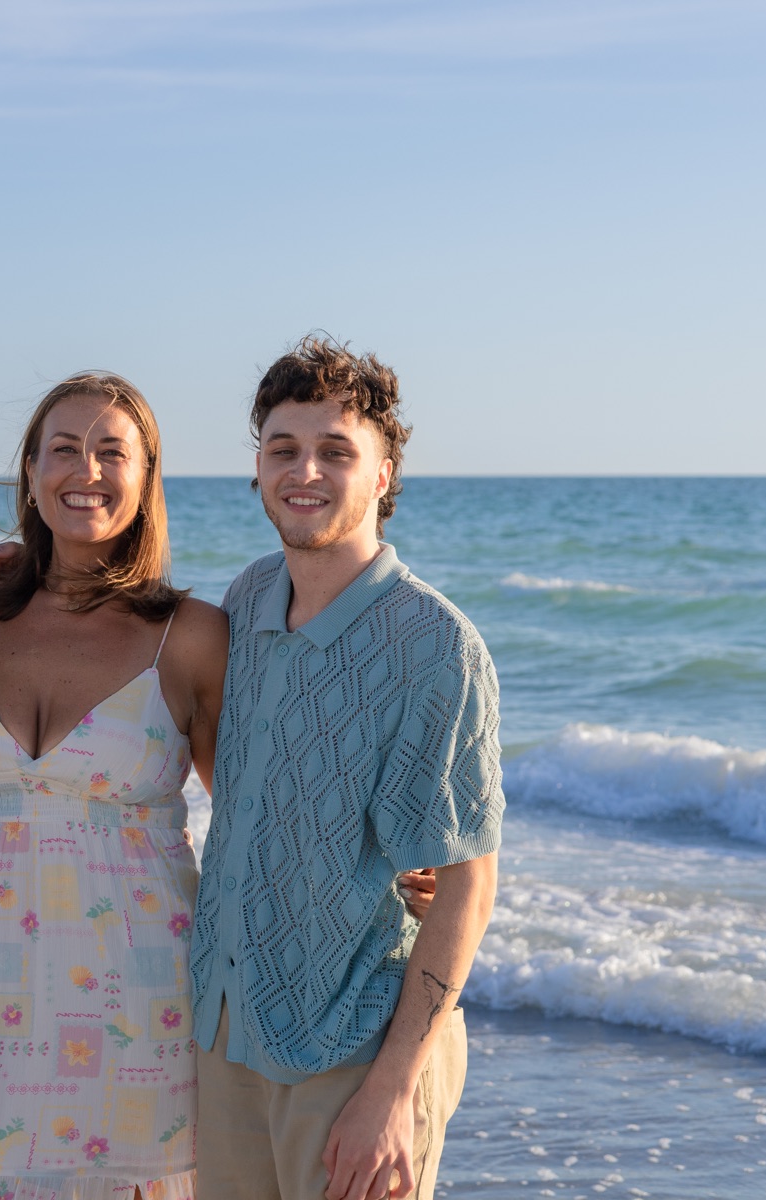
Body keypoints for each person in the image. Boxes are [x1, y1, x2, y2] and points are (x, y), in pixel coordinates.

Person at [190, 336, 503, 1200]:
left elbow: (469, 886)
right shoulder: (249, 597)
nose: (306, 472)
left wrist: (393, 1093)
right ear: (258, 468)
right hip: (227, 1036)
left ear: (383, 474)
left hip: (356, 1054)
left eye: (336, 450)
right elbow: (250, 773)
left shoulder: (436, 646)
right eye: (282, 449)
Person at [0, 373, 228, 1200]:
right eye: (63, 448)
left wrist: (384, 874)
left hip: (138, 1006)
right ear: (30, 472)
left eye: (112, 452)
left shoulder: (191, 636)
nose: (85, 469)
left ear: (147, 477)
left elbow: (252, 815)